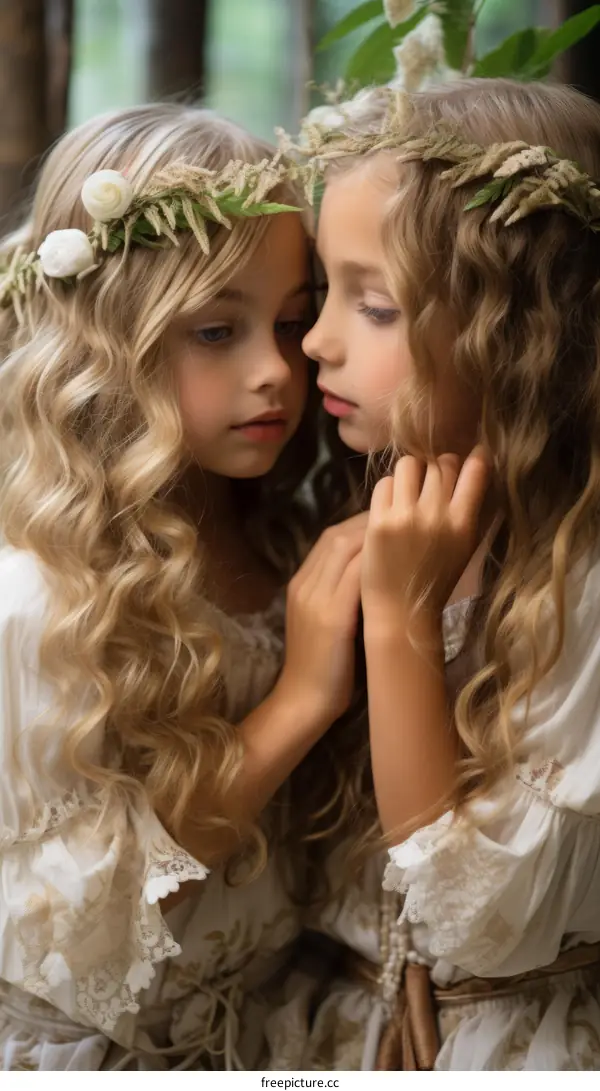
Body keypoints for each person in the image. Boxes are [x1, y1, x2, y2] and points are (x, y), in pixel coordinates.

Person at [0, 102, 365, 1070]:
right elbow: (94, 924)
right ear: (107, 339)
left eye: (292, 322)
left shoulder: (282, 533)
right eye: (215, 330)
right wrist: (303, 696)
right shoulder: (39, 599)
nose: (275, 370)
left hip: (273, 1036)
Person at [291, 78, 600, 1070]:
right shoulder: (349, 509)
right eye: (322, 293)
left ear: (517, 329)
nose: (316, 340)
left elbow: (478, 927)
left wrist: (399, 622)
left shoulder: (580, 580)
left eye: (375, 305)